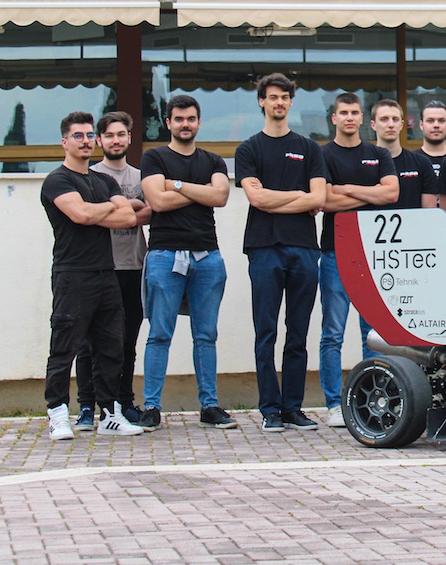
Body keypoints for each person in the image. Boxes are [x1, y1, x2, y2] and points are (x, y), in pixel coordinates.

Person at [39, 111, 143, 440]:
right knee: (65, 347)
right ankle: (58, 414)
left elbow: (128, 218)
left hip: (106, 273)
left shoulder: (104, 181)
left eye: (88, 136)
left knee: (111, 347)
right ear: (64, 142)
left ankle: (110, 414)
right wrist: (105, 208)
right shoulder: (57, 180)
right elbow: (81, 214)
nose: (85, 142)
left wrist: (95, 210)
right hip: (72, 275)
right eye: (78, 136)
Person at [235, 74, 329, 434]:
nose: (279, 103)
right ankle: (269, 409)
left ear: (291, 102)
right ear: (262, 101)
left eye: (284, 97)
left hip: (304, 248)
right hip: (264, 248)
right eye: (272, 97)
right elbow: (256, 199)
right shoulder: (249, 149)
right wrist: (298, 197)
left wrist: (277, 198)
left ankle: (293, 408)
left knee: (298, 332)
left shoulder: (309, 149)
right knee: (266, 331)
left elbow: (319, 198)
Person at [138, 94, 236, 431]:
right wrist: (199, 192)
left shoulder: (213, 160)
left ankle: (209, 406)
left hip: (207, 257)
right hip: (164, 256)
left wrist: (176, 185)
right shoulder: (154, 157)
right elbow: (157, 202)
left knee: (206, 335)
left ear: (199, 122)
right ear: (168, 123)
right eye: (178, 119)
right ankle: (151, 407)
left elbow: (220, 196)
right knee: (159, 334)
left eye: (191, 118)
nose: (185, 124)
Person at [319, 93, 398, 427]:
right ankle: (333, 404)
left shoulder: (378, 154)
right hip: (335, 253)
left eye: (355, 112)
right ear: (334, 118)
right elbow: (324, 200)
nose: (349, 117)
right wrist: (369, 195)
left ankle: (376, 400)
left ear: (362, 118)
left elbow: (391, 193)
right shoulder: (322, 154)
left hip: (373, 255)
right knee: (332, 333)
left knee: (374, 333)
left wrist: (346, 189)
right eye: (344, 113)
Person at [72, 112, 152, 431]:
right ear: (99, 140)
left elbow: (152, 213)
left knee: (126, 342)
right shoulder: (89, 176)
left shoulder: (142, 176)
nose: (115, 140)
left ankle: (123, 402)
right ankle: (87, 406)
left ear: (129, 138)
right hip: (100, 267)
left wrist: (114, 214)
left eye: (121, 134)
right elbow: (85, 217)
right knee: (89, 343)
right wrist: (128, 208)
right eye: (109, 135)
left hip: (134, 266)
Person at [373, 99, 439, 209]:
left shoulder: (421, 163)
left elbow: (429, 212)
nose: (391, 124)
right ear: (373, 125)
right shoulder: (364, 164)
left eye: (395, 119)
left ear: (402, 124)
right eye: (384, 119)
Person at [415, 99, 446, 179]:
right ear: (421, 125)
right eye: (430, 121)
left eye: (441, 121)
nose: (436, 125)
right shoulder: (410, 160)